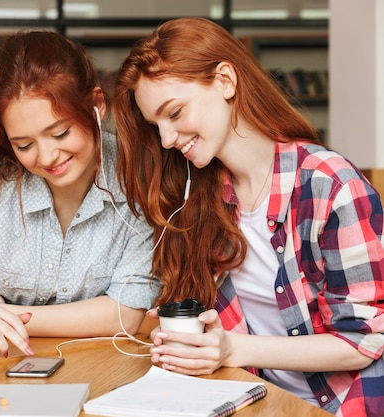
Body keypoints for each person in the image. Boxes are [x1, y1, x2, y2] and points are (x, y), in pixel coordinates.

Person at [111, 17, 384, 417]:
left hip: (339, 405)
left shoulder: (331, 186)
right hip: (252, 398)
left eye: (175, 113)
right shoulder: (202, 199)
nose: (167, 140)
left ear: (225, 81)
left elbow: (365, 340)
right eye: (157, 126)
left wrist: (233, 349)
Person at [0, 30, 161, 359]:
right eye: (24, 145)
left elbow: (125, 314)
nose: (48, 157)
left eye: (60, 132)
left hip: (93, 359)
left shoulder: (140, 180)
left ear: (96, 105)